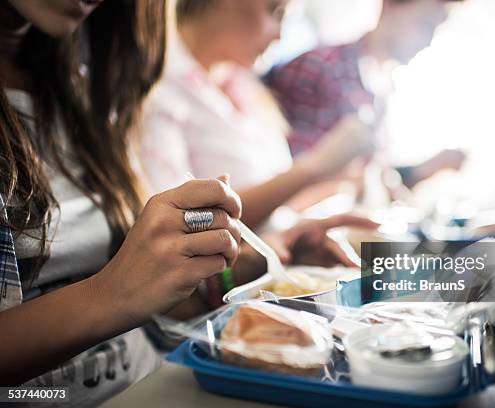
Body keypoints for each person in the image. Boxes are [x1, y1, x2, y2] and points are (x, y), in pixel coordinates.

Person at [0, 1, 376, 404]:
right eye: (273, 11)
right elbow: (119, 294)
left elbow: (156, 306)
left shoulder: (81, 90)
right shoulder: (160, 95)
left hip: (161, 377)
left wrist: (242, 264)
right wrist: (112, 293)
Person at [140, 0, 377, 229]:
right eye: (274, 11)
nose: (280, 36)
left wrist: (338, 185)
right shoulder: (158, 91)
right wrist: (315, 166)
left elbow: (275, 215)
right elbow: (178, 224)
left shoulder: (243, 85)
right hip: (230, 270)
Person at [266, 0, 466, 188]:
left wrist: (421, 171)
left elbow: (368, 180)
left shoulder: (383, 91)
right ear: (389, 6)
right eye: (424, 25)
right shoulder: (321, 67)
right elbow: (290, 180)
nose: (428, 41)